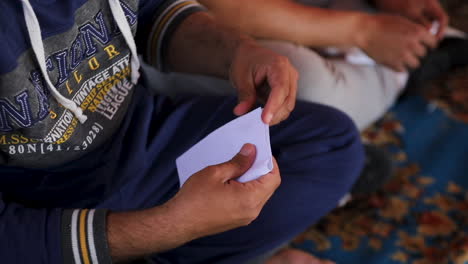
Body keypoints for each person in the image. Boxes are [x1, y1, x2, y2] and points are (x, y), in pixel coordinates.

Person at [0, 0, 364, 263]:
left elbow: (146, 13)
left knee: (329, 146)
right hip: (48, 202)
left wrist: (239, 53)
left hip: (143, 126)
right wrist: (169, 227)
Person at [155, 0, 467, 131]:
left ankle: (401, 58)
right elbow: (212, 9)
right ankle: (401, 72)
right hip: (184, 28)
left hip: (316, 9)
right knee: (300, 86)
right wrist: (361, 30)